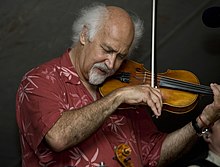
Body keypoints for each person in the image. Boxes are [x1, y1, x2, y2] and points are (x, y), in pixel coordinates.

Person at [16, 3, 220, 167]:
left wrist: (202, 121)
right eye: (107, 49)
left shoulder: (127, 86)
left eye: (121, 56)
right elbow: (58, 136)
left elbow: (153, 155)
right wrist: (117, 97)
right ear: (85, 35)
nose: (112, 64)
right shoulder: (40, 80)